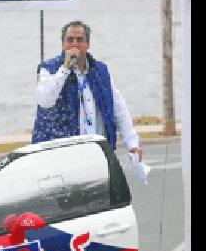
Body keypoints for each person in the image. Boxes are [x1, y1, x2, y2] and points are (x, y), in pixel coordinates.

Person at [33, 20, 145, 161]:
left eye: (79, 40)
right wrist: (65, 69)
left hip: (98, 152)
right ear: (63, 44)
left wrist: (132, 144)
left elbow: (118, 108)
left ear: (87, 44)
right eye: (70, 40)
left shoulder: (100, 70)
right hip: (63, 155)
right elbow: (45, 101)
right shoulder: (49, 69)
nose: (74, 44)